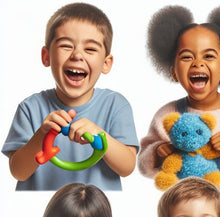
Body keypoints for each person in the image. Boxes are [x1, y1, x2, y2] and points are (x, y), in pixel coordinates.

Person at [2, 3, 138, 191]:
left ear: (106, 63)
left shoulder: (116, 105)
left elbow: (127, 166)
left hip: (95, 207)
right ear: (46, 56)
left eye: (90, 49)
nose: (77, 55)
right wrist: (41, 134)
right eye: (66, 46)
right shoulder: (29, 108)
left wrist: (99, 134)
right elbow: (18, 172)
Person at [138, 5, 220, 191]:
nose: (197, 63)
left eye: (208, 56)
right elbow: (143, 166)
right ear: (174, 72)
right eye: (187, 57)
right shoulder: (168, 114)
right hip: (185, 200)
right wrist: (157, 153)